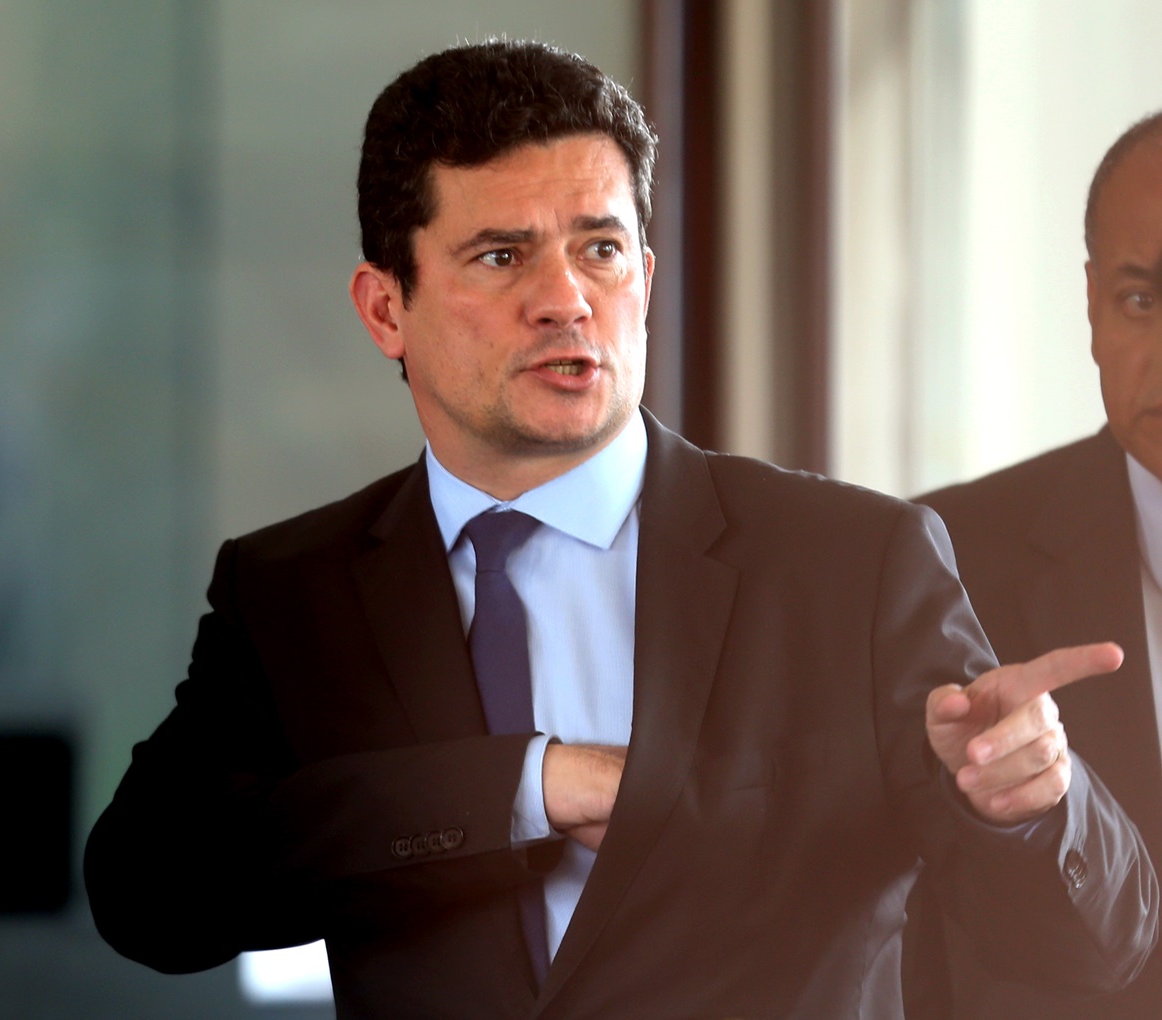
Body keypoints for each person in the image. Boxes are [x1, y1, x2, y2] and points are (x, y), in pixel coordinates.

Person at [85, 41, 1157, 1018]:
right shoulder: (296, 591)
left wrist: (1030, 806)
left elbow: (1092, 952)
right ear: (385, 309)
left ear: (643, 278)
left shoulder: (851, 561)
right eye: (502, 257)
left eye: (599, 248)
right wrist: (526, 786)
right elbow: (148, 893)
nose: (565, 299)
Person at [905, 111, 1162, 1020]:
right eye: (1141, 301)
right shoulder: (942, 555)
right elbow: (914, 940)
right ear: (1092, 304)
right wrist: (1032, 809)